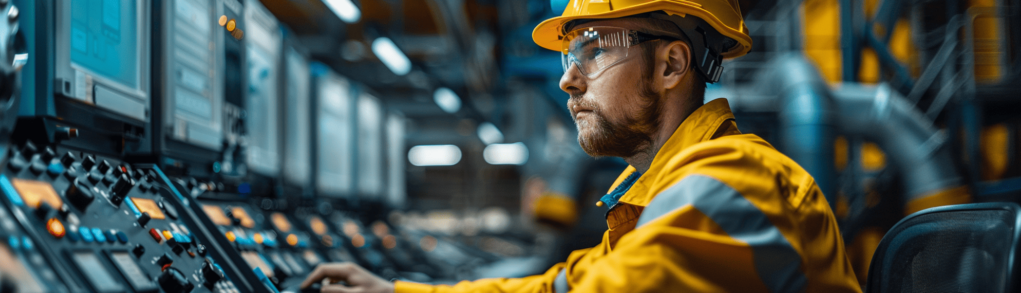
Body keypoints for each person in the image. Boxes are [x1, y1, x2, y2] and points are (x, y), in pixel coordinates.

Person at [301, 0, 861, 292]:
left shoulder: (738, 180)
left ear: (670, 64)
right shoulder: (658, 195)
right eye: (569, 57)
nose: (569, 80)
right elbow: (560, 287)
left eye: (592, 51)